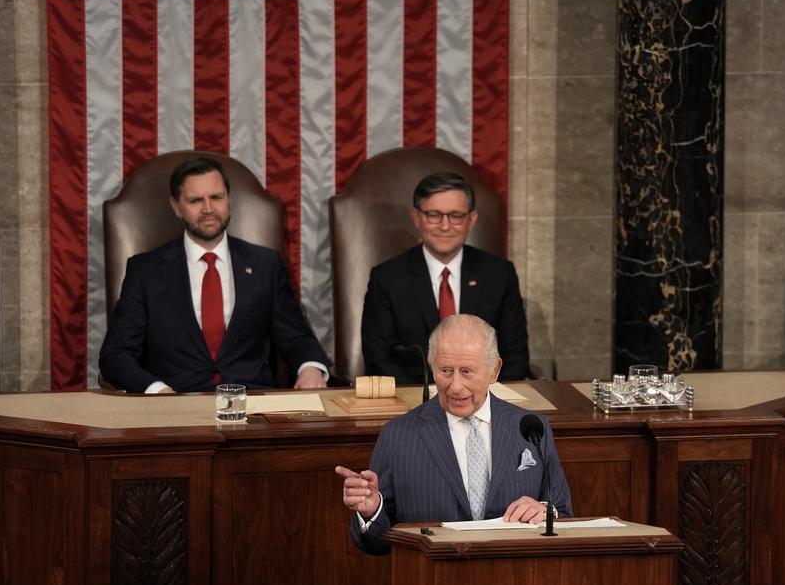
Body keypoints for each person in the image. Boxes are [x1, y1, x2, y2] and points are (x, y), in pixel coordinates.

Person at [337, 314, 571, 555]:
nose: (456, 386)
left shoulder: (531, 428)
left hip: (515, 582)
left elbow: (562, 512)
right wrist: (371, 512)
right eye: (445, 371)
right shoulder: (397, 436)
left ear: (494, 370)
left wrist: (546, 512)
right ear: (432, 367)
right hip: (432, 583)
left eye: (467, 371)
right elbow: (377, 544)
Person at [99, 156, 332, 393]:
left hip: (253, 405)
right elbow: (116, 355)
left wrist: (309, 369)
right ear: (176, 206)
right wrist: (157, 390)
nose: (208, 209)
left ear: (228, 199)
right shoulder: (145, 271)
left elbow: (296, 338)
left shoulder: (265, 265)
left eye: (216, 197)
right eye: (196, 200)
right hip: (176, 408)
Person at [360, 171, 530, 384]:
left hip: (484, 402)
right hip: (414, 402)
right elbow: (379, 359)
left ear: (471, 220)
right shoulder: (387, 278)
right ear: (417, 218)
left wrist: (477, 397)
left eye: (456, 216)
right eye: (434, 215)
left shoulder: (499, 274)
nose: (445, 225)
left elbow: (516, 357)